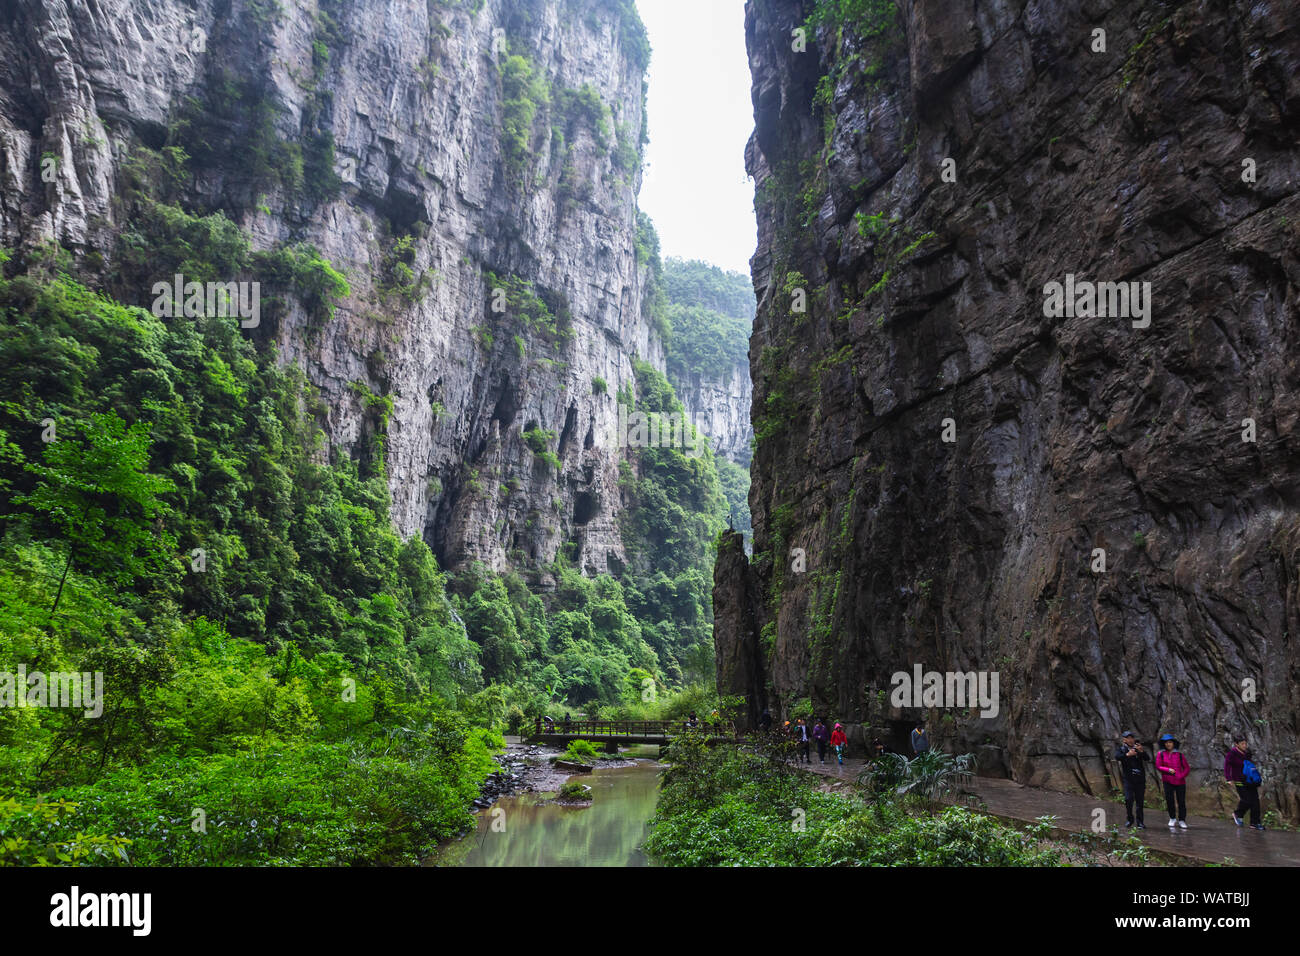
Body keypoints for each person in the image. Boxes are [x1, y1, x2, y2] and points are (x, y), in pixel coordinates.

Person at [1223, 734, 1264, 830]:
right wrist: (1228, 778)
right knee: (1247, 800)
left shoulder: (1247, 753)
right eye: (1242, 744)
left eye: (1245, 743)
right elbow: (1227, 765)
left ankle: (1255, 823)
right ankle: (1238, 814)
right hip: (1239, 779)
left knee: (1255, 801)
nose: (1245, 745)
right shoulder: (1232, 753)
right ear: (1236, 744)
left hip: (1250, 780)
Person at [1114, 730, 1150, 828]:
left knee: (1140, 801)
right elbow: (1117, 757)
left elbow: (1147, 758)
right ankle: (1130, 819)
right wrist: (1127, 755)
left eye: (1131, 738)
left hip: (1140, 779)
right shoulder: (1122, 749)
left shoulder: (1138, 748)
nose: (1130, 740)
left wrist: (1141, 751)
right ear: (1124, 739)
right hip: (1128, 779)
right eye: (1128, 738)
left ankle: (1140, 822)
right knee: (1128, 799)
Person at [1155, 733, 1190, 829]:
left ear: (1173, 743)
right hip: (1167, 781)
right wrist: (1168, 770)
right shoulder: (1161, 754)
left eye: (1170, 742)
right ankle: (1172, 818)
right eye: (1166, 742)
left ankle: (1182, 820)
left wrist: (1180, 775)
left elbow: (1187, 768)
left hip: (1180, 782)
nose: (1168, 744)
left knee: (1181, 801)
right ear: (1163, 744)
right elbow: (1158, 766)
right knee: (1170, 800)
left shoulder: (1179, 755)